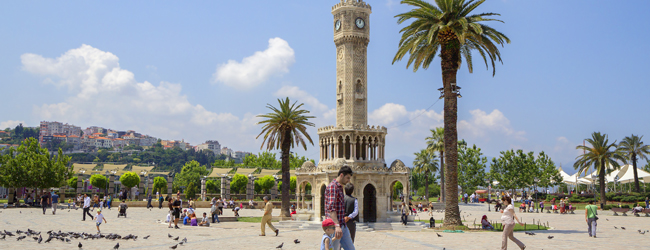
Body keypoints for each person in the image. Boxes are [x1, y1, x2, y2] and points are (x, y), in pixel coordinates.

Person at [324, 165, 355, 250]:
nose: (349, 181)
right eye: (347, 178)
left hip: (343, 226)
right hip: (334, 228)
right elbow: (331, 208)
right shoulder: (333, 187)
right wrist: (337, 226)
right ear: (341, 175)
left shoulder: (340, 187)